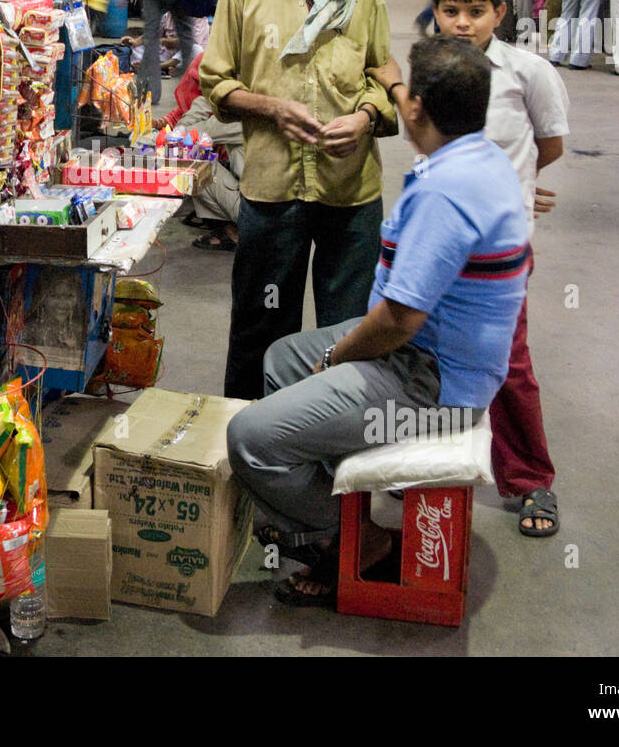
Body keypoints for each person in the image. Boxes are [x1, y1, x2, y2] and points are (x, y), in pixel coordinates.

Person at [227, 37, 530, 603]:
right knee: (280, 358)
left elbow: (397, 321)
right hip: (427, 358)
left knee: (250, 439)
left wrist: (336, 360)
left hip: (433, 384)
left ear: (415, 108)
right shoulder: (478, 156)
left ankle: (356, 542)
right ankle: (324, 519)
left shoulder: (447, 191)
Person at [382, 0, 569, 537]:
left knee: (506, 364)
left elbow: (549, 145)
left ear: (500, 12)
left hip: (495, 256)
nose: (462, 23)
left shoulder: (527, 73)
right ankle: (414, 462)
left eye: (476, 11)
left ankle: (530, 477)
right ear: (434, 12)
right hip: (433, 242)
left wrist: (517, 190)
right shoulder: (430, 73)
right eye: (449, 10)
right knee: (418, 353)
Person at [200, 0, 396, 402]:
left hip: (350, 190)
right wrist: (271, 108)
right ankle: (245, 441)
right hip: (271, 189)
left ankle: (334, 451)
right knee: (260, 326)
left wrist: (364, 116)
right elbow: (216, 85)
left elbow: (384, 78)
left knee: (349, 328)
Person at [164, 54, 244, 251]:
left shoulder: (240, 115)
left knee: (192, 164)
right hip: (270, 203)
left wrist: (208, 97)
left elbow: (187, 136)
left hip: (259, 209)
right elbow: (185, 121)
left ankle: (239, 231)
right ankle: (238, 227)